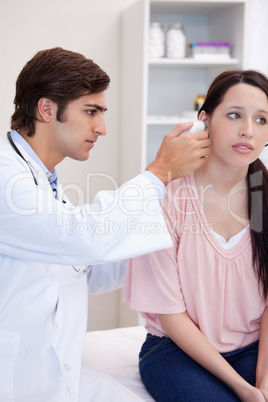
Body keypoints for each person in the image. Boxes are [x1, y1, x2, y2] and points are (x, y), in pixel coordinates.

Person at [0, 47, 211, 402]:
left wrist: (174, 247)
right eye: (91, 111)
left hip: (54, 369)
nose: (102, 128)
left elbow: (84, 270)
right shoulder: (7, 178)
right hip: (16, 377)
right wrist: (160, 172)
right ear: (47, 109)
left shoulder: (45, 183)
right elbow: (84, 238)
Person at [124, 69, 268, 402]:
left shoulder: (265, 198)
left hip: (253, 348)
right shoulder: (165, 199)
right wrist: (242, 388)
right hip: (174, 351)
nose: (248, 130)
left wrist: (263, 381)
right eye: (234, 115)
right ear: (204, 120)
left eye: (262, 120)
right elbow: (170, 315)